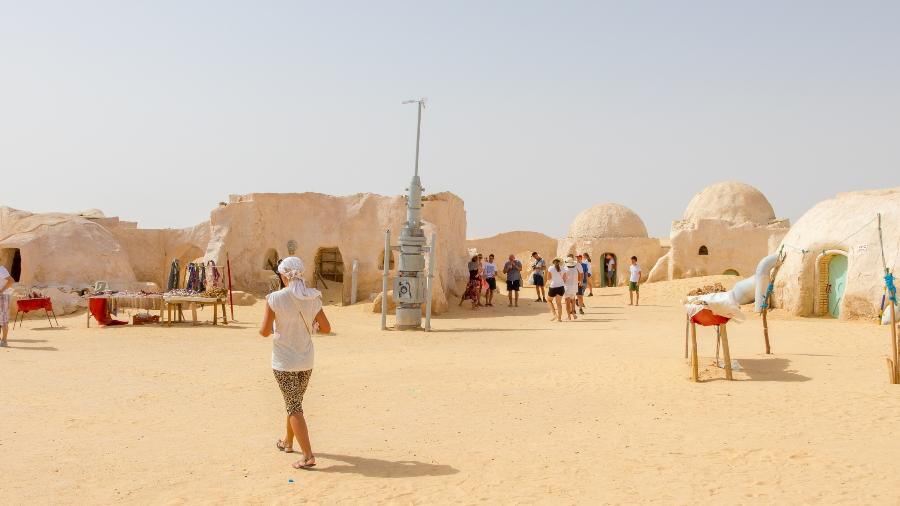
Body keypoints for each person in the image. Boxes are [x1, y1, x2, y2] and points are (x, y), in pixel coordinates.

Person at [259, 256, 331, 470]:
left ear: (284, 275)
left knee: (294, 406)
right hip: (306, 361)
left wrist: (276, 329)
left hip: (283, 362)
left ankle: (308, 456)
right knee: (294, 403)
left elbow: (264, 332)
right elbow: (326, 328)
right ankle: (288, 442)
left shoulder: (274, 298)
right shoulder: (313, 297)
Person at [0, 265, 12, 347]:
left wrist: (1, 290)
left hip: (3, 296)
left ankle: (4, 341)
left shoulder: (1, 269)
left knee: (3, 319)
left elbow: (11, 281)